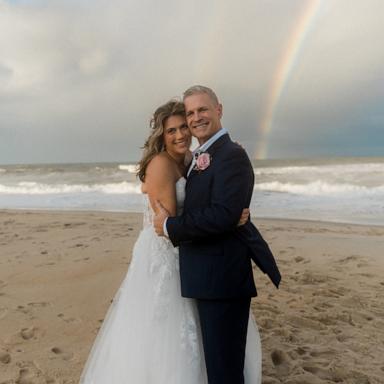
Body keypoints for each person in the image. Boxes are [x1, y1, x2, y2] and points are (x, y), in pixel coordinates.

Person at [79, 99, 262, 384]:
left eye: (183, 128)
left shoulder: (192, 159)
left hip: (190, 249)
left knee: (203, 330)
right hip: (166, 252)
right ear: (161, 136)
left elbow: (207, 191)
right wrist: (227, 215)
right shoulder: (162, 164)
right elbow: (171, 222)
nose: (180, 135)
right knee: (166, 330)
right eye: (171, 131)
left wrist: (228, 205)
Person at [154, 85, 281, 384]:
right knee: (218, 366)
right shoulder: (203, 155)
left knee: (224, 371)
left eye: (203, 109)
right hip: (208, 278)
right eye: (191, 113)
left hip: (221, 281)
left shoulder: (231, 155)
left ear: (219, 110)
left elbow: (223, 215)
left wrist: (171, 226)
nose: (196, 118)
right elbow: (220, 211)